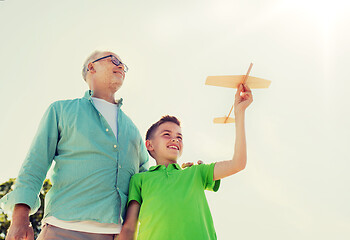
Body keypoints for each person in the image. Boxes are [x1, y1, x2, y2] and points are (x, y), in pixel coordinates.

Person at [0, 51, 149, 240]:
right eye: (114, 60)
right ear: (91, 67)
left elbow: (144, 182)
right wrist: (19, 219)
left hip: (115, 235)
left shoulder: (134, 131)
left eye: (123, 65)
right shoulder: (61, 111)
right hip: (61, 229)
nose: (121, 66)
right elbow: (34, 165)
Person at [118, 83, 253, 240]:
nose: (175, 138)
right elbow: (129, 228)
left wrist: (239, 112)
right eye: (166, 134)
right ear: (149, 144)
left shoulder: (196, 172)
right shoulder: (140, 179)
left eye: (179, 136)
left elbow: (238, 163)